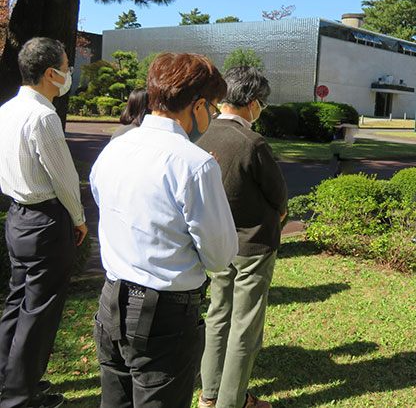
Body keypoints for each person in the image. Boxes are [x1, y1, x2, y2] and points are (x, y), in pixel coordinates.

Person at [90, 52, 238, 408]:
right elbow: (220, 256)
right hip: (164, 314)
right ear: (198, 106)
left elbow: (101, 201)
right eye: (212, 108)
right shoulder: (195, 164)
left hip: (111, 300)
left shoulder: (115, 147)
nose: (212, 118)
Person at [0, 37, 88, 408]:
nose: (70, 73)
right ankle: (21, 396)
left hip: (17, 215)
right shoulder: (43, 116)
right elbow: (64, 178)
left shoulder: (7, 109)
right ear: (51, 73)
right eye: (67, 67)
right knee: (39, 311)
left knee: (18, 300)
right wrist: (79, 218)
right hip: (45, 220)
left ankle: (7, 378)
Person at [196, 65, 288, 408]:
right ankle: (232, 402)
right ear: (251, 103)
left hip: (215, 243)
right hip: (253, 244)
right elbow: (279, 197)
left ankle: (209, 395)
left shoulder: (200, 135)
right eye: (261, 102)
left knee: (217, 314)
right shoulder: (252, 142)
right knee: (245, 325)